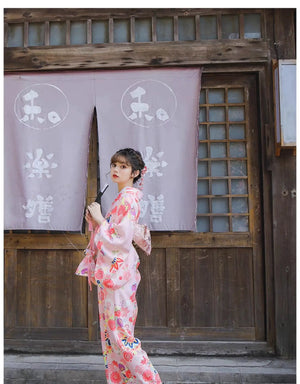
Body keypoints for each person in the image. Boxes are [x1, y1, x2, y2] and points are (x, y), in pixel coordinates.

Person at [76, 148, 162, 384]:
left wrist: (101, 220)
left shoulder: (128, 198)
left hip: (118, 276)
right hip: (113, 275)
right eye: (114, 165)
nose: (116, 169)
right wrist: (97, 221)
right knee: (112, 336)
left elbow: (119, 239)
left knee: (121, 335)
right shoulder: (122, 198)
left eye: (123, 167)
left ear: (135, 172)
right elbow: (113, 233)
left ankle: (151, 381)